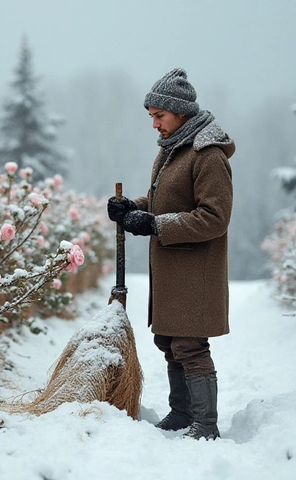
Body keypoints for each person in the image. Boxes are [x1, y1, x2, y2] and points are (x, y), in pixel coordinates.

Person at [107, 68, 235, 441]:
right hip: (173, 270)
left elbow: (214, 217)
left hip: (195, 270)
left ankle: (205, 425)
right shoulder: (173, 150)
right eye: (151, 117)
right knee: (168, 340)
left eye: (158, 116)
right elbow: (167, 203)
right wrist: (134, 207)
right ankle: (181, 413)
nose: (154, 125)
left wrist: (155, 225)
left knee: (189, 345)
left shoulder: (207, 155)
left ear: (179, 113)